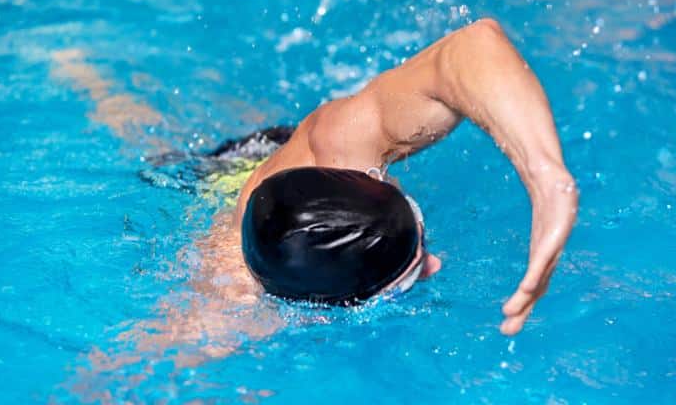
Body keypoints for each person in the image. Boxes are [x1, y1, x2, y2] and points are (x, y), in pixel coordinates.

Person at [53, 18, 577, 344]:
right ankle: (78, 71)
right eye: (411, 268)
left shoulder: (343, 142)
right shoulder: (224, 311)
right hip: (212, 182)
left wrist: (544, 176)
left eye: (419, 248)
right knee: (136, 130)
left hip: (281, 151)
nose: (436, 262)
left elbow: (473, 44)